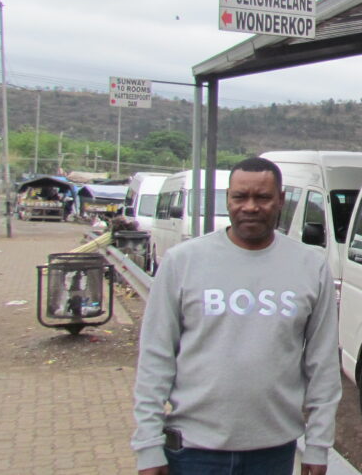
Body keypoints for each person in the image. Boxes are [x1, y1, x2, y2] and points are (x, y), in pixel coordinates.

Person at [131, 157, 341, 475]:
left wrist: (319, 445)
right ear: (228, 198)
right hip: (193, 452)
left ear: (281, 200)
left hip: (273, 453)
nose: (250, 207)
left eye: (263, 197)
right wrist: (148, 446)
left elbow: (323, 365)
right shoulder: (183, 262)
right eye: (240, 197)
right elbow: (154, 359)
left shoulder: (310, 268)